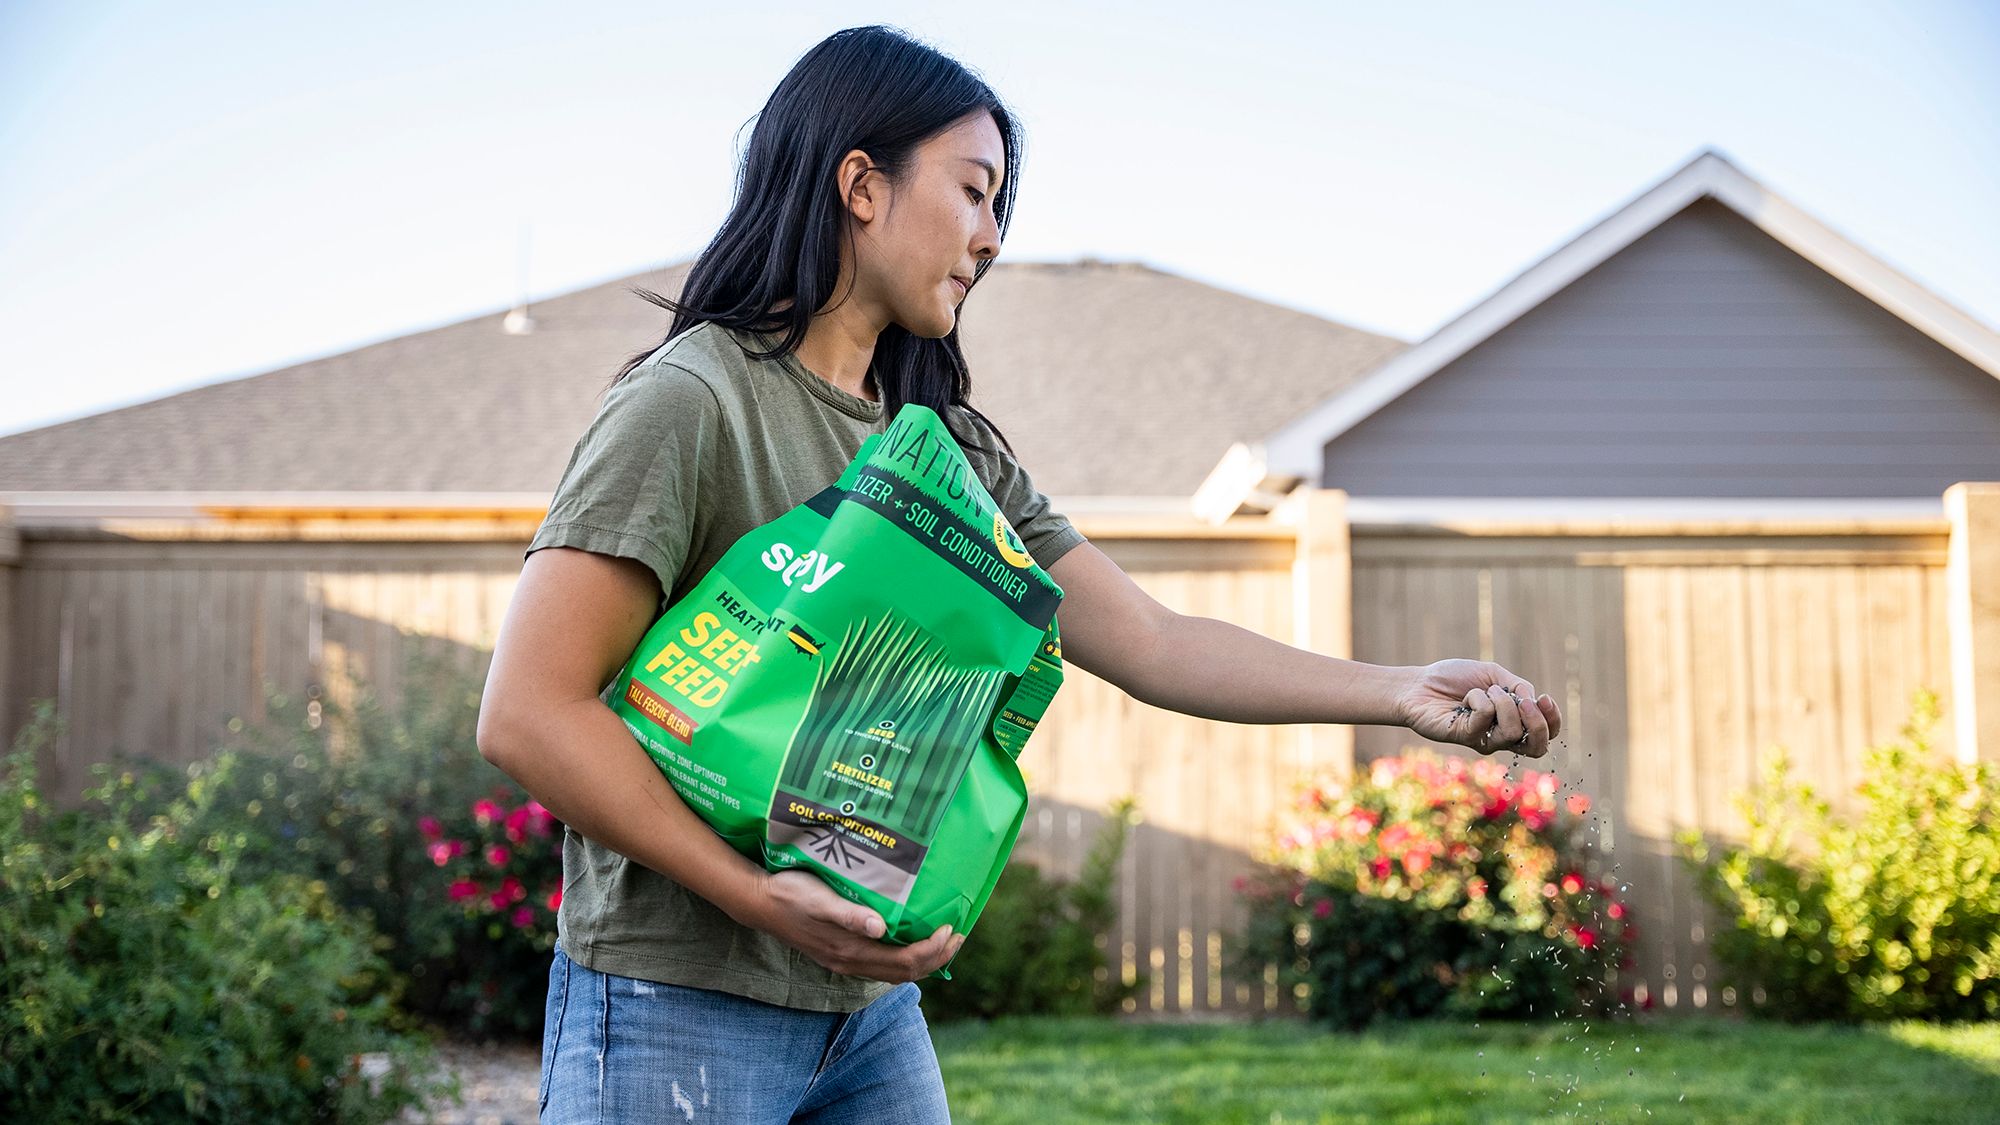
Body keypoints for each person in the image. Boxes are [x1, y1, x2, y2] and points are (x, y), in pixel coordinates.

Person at [476, 24, 1563, 1125]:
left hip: (863, 1008)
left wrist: (1398, 691)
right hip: (677, 1000)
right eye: (973, 191)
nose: (991, 237)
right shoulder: (692, 403)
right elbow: (530, 713)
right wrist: (758, 900)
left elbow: (1152, 641)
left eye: (1000, 205)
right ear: (860, 184)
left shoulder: (944, 450)